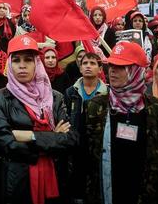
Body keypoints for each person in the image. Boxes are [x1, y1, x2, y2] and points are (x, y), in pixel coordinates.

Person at [0, 35, 77, 204]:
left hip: (55, 178)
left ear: (37, 63)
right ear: (9, 64)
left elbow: (70, 139)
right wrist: (52, 136)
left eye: (28, 60)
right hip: (17, 181)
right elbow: (5, 142)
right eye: (16, 60)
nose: (22, 65)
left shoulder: (54, 98)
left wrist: (28, 136)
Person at [84, 41, 158, 204]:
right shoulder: (96, 106)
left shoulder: (155, 108)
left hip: (142, 191)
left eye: (121, 67)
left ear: (137, 71)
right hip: (106, 190)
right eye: (111, 65)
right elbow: (86, 155)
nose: (113, 71)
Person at [64, 52, 108, 203]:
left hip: (98, 146)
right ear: (80, 68)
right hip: (75, 146)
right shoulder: (71, 92)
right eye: (85, 63)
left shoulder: (107, 93)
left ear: (100, 69)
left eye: (93, 63)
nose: (88, 66)